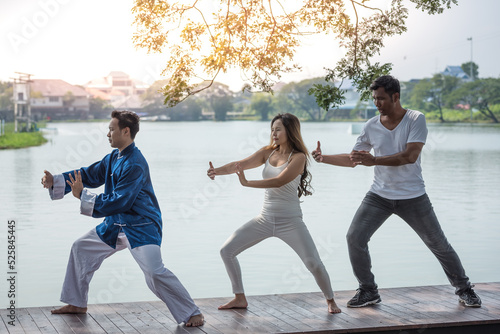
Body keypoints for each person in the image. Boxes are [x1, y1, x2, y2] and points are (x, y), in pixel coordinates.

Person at [311, 75, 481, 308]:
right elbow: (355, 160)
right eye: (374, 99)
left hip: (413, 197)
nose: (377, 103)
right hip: (379, 196)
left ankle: (465, 289)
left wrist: (374, 161)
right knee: (354, 238)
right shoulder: (371, 125)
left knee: (438, 244)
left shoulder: (415, 119)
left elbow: (409, 156)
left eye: (381, 98)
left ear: (396, 96)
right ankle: (368, 290)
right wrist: (324, 158)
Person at [41, 110, 204, 327]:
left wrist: (83, 195)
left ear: (125, 131)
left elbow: (121, 201)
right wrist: (56, 180)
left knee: (155, 274)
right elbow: (88, 174)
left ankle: (193, 313)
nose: (107, 134)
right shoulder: (113, 158)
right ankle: (76, 303)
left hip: (141, 225)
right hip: (115, 225)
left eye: (111, 129)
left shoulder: (135, 163)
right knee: (81, 248)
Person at [207, 113, 341, 314]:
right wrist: (216, 171)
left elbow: (280, 181)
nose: (274, 133)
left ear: (290, 131)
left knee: (313, 262)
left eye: (278, 129)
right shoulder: (267, 153)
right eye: (272, 129)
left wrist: (247, 183)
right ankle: (239, 297)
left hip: (291, 221)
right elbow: (239, 165)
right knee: (227, 251)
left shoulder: (299, 157)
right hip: (265, 219)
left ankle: (330, 300)